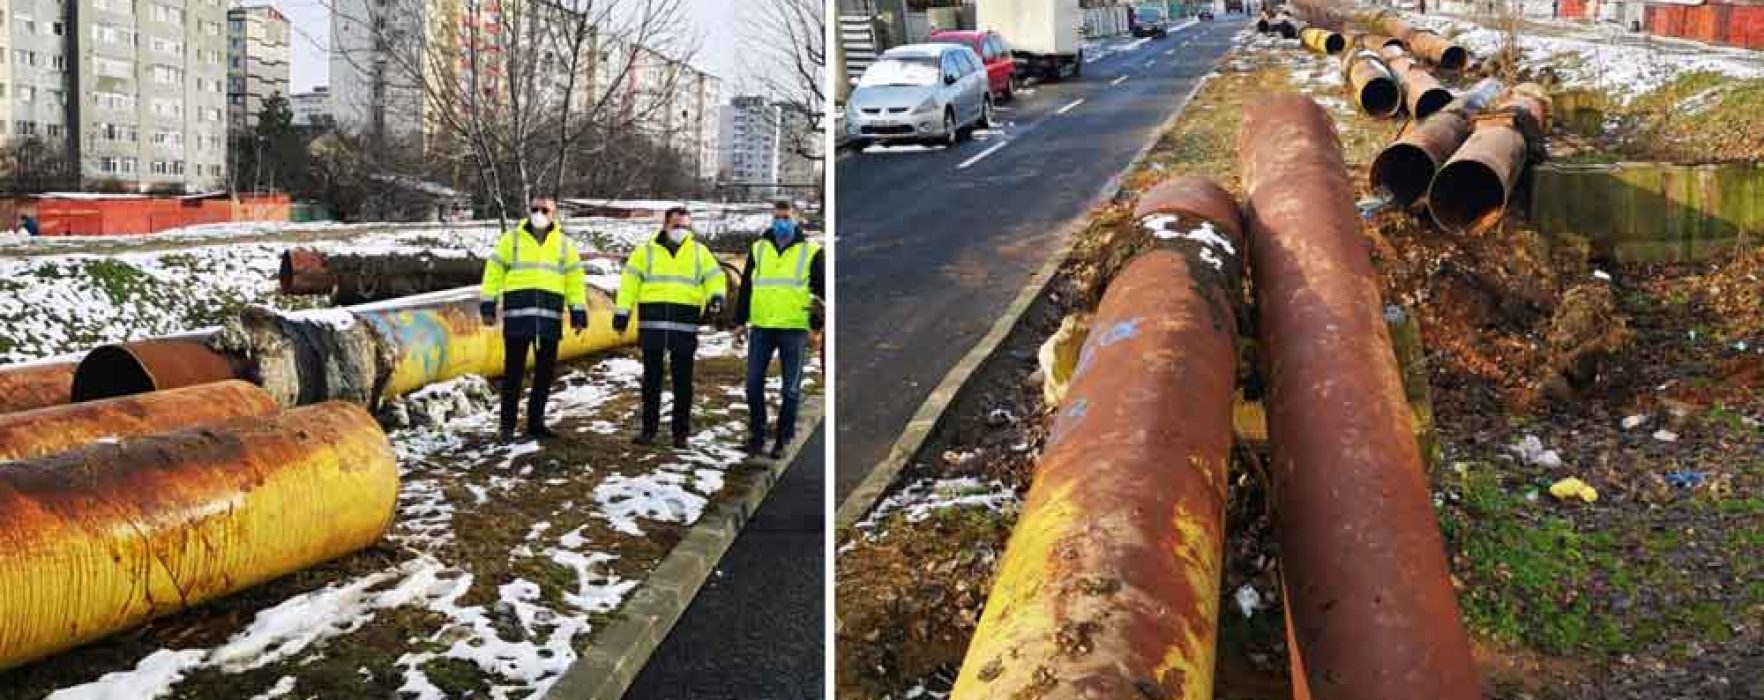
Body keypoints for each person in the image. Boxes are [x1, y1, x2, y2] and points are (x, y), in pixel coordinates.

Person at [614, 207, 726, 448]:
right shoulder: (645, 252)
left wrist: (716, 296)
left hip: (684, 324)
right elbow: (629, 283)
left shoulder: (699, 252)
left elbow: (715, 276)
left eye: (685, 226)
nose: (681, 231)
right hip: (653, 324)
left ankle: (680, 434)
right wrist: (622, 312)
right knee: (652, 380)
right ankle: (649, 431)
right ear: (665, 225)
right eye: (676, 226)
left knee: (682, 381)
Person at [479, 197, 589, 443]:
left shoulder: (564, 245)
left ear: (554, 214)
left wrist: (578, 310)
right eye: (535, 209)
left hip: (549, 320)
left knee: (544, 374)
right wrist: (488, 303)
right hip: (518, 318)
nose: (539, 213)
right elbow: (493, 272)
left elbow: (574, 281)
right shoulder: (512, 240)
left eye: (545, 210)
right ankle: (507, 427)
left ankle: (536, 423)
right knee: (513, 373)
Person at [735, 201, 825, 458]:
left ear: (796, 220)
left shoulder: (811, 251)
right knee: (753, 384)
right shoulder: (759, 249)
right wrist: (740, 322)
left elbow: (821, 294)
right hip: (762, 326)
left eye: (785, 218)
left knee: (790, 388)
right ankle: (757, 434)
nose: (780, 223)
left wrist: (816, 328)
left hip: (794, 328)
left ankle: (783, 439)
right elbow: (746, 287)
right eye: (776, 218)